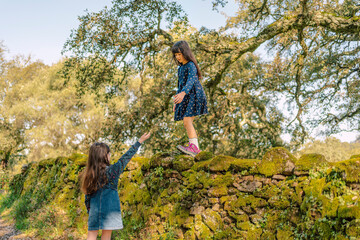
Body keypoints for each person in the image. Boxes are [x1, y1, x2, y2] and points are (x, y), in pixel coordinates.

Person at [81, 132, 151, 240]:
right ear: (104, 156)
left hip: (94, 211)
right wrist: (139, 142)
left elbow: (87, 197)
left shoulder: (90, 175)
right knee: (106, 236)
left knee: (91, 236)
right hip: (110, 210)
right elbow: (125, 158)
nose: (110, 156)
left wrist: (89, 211)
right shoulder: (113, 171)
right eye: (109, 154)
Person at [171, 40, 208, 157]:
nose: (177, 57)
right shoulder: (180, 69)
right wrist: (177, 100)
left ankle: (194, 148)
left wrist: (183, 93)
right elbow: (180, 85)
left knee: (187, 120)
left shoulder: (191, 65)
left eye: (179, 54)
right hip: (187, 96)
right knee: (186, 122)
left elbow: (191, 80)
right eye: (175, 55)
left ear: (185, 52)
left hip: (195, 95)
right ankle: (194, 146)